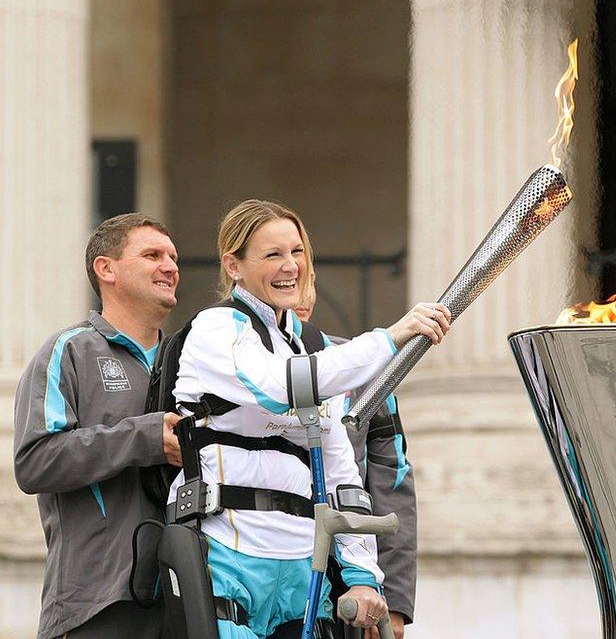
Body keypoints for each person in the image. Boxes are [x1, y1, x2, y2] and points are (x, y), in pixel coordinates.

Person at [168, 199, 449, 638]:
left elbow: (340, 473)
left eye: (296, 252)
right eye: (272, 254)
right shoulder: (215, 328)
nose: (290, 266)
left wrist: (362, 574)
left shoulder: (302, 350)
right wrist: (391, 337)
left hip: (304, 565)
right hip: (226, 553)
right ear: (233, 265)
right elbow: (279, 387)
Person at [13, 214, 183, 638]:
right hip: (95, 603)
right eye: (152, 255)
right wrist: (145, 438)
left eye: (173, 257)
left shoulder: (192, 363)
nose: (170, 266)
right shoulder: (68, 351)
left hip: (187, 597)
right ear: (106, 269)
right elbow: (34, 462)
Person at [296, 284, 416, 639]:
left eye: (309, 279)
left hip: (351, 589)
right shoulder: (233, 356)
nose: (300, 293)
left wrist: (393, 603)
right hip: (259, 571)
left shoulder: (362, 366)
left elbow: (393, 487)